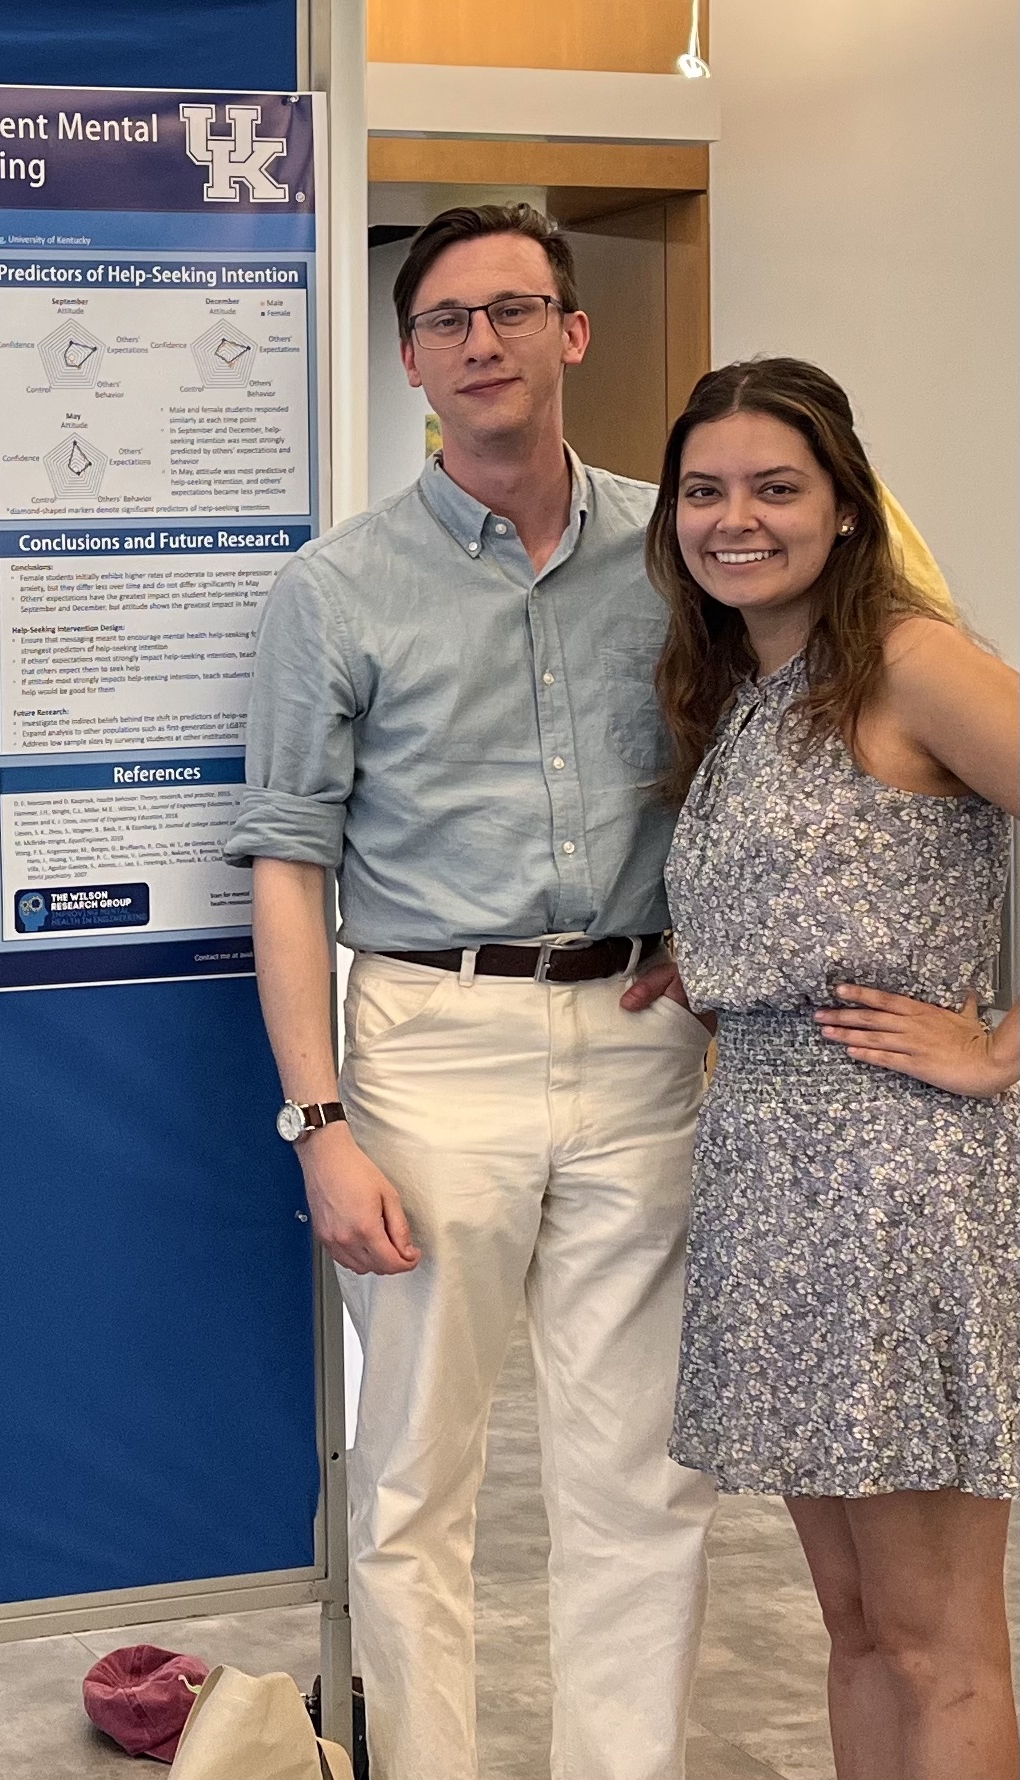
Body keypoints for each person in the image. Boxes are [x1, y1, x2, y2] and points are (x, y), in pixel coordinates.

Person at [225, 203, 717, 1780]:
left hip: (644, 1046)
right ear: (410, 359)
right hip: (433, 1047)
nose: (482, 344)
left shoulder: (679, 552)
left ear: (572, 333)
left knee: (639, 1478)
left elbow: (761, 770)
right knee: (413, 1482)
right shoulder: (337, 591)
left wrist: (728, 947)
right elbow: (288, 865)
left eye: (513, 311)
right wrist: (317, 1122)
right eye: (448, 321)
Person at [655, 356, 1018, 1780]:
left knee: (935, 1638)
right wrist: (713, 956)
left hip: (898, 1177)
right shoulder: (738, 685)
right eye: (703, 490)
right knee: (857, 1626)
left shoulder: (911, 659)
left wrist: (998, 1051)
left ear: (846, 508)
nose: (733, 517)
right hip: (765, 1170)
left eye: (773, 486)